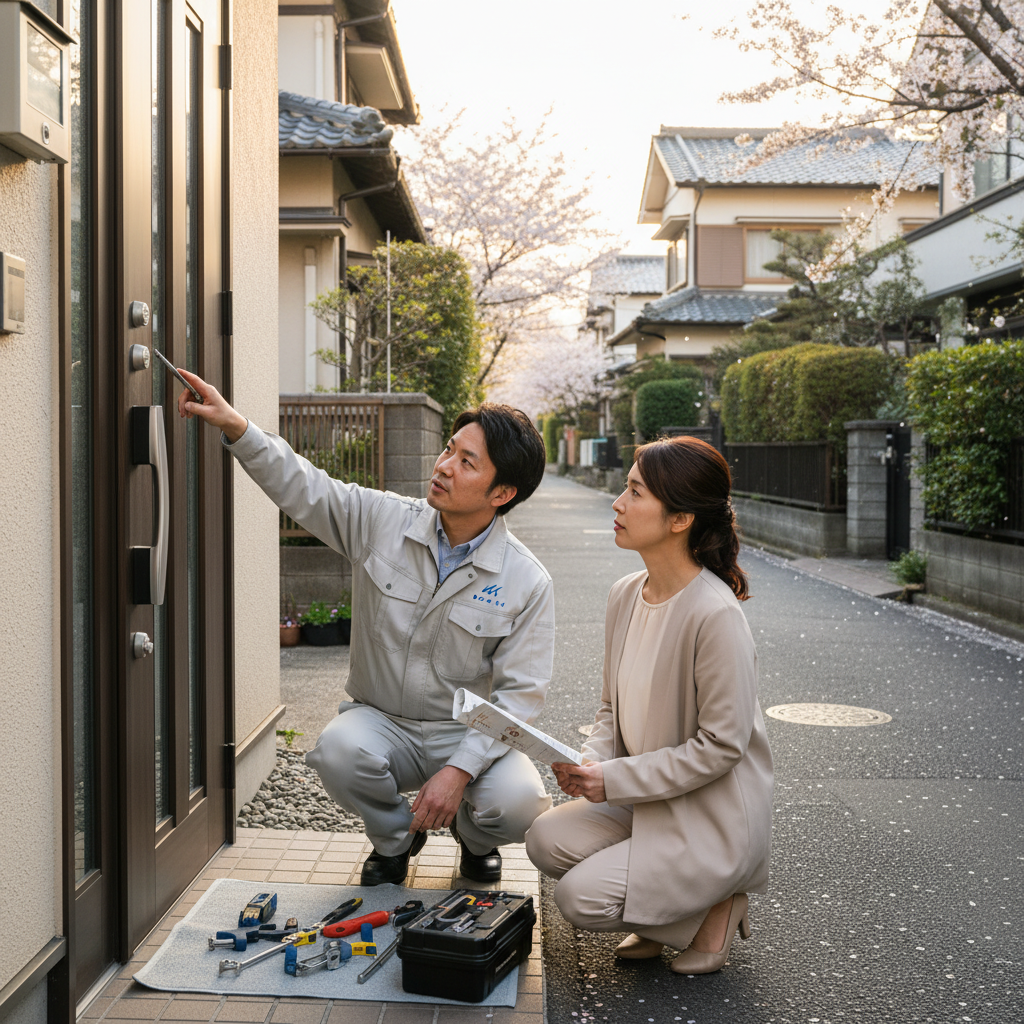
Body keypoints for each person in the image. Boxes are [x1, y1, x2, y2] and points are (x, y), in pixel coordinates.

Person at [175, 370, 554, 885]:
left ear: (502, 492)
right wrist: (235, 425)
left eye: (467, 462)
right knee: (336, 752)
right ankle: (397, 840)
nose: (443, 466)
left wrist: (459, 770)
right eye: (449, 449)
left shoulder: (526, 579)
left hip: (465, 731)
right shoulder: (381, 520)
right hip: (382, 721)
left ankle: (473, 838)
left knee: (521, 803)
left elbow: (519, 697)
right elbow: (303, 485)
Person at [525, 435, 773, 974]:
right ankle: (666, 904)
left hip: (706, 813)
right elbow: (610, 707)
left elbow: (721, 747)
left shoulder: (715, 615)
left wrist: (613, 781)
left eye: (635, 492)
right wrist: (593, 763)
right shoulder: (625, 593)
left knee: (579, 899)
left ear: (680, 519)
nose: (617, 502)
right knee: (544, 840)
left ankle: (718, 901)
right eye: (625, 488)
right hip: (646, 796)